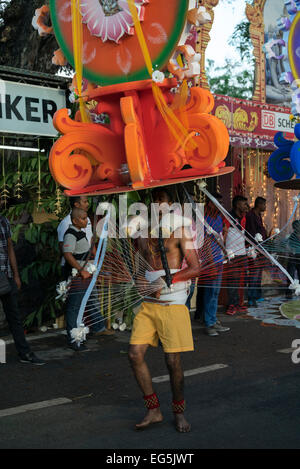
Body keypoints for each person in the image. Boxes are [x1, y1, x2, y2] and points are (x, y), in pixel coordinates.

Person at [128, 188, 201, 433]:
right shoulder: (143, 235)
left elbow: (195, 268)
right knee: (134, 355)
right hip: (149, 304)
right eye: (154, 203)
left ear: (171, 207)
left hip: (173, 303)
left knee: (172, 361)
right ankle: (154, 410)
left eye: (162, 203)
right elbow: (139, 269)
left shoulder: (180, 233)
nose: (158, 207)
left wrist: (166, 282)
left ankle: (179, 412)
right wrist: (139, 281)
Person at [63, 208, 114, 351]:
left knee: (88, 302)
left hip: (86, 276)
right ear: (75, 221)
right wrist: (81, 271)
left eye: (86, 218)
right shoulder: (71, 234)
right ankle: (74, 340)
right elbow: (67, 254)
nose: (86, 221)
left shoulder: (80, 233)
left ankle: (91, 331)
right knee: (75, 308)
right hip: (80, 277)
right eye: (83, 219)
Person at [0, 214, 45, 365]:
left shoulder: (4, 220)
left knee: (14, 317)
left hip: (6, 276)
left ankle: (25, 353)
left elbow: (10, 248)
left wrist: (16, 275)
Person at [197, 193, 230, 336]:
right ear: (209, 203)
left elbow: (217, 237)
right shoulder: (202, 217)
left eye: (221, 202)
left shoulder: (217, 217)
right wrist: (210, 260)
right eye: (218, 202)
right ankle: (209, 323)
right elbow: (204, 240)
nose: (220, 205)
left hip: (218, 258)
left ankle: (212, 319)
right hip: (209, 260)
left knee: (215, 292)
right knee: (210, 291)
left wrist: (224, 251)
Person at [224, 195, 248, 315]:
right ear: (237, 204)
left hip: (242, 252)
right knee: (232, 280)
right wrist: (225, 250)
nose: (246, 206)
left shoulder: (244, 217)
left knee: (241, 280)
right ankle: (231, 304)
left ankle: (239, 302)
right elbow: (224, 233)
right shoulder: (228, 216)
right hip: (232, 253)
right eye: (244, 204)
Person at [245, 197, 268, 307]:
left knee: (259, 273)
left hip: (261, 247)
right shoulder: (251, 215)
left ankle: (257, 295)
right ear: (259, 204)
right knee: (254, 273)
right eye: (264, 204)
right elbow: (252, 233)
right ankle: (251, 298)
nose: (265, 207)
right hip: (253, 248)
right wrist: (255, 248)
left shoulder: (258, 215)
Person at [286, 220, 300, 298]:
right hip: (293, 258)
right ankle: (288, 293)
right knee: (290, 276)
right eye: (296, 226)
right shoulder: (292, 236)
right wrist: (291, 251)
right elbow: (288, 246)